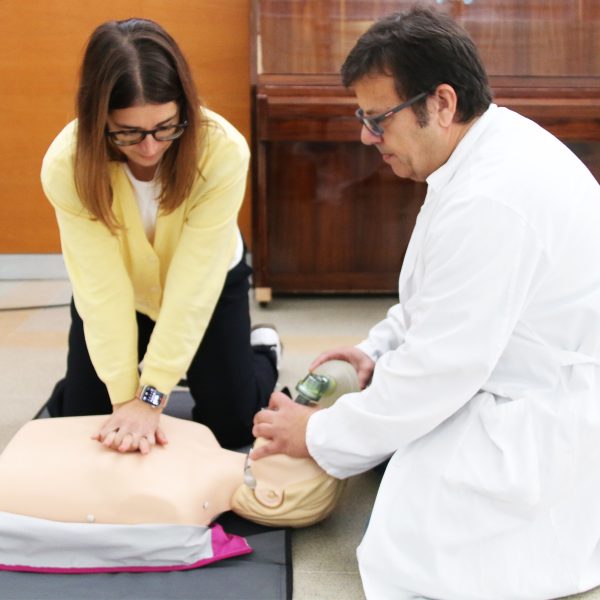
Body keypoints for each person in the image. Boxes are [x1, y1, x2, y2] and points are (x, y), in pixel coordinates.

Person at [253, 7, 600, 600]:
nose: (366, 136)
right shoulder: (484, 148)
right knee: (393, 443)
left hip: (545, 404)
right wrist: (376, 349)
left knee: (420, 533)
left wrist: (317, 433)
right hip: (507, 364)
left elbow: (441, 369)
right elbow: (440, 298)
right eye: (362, 117)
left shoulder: (492, 197)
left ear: (440, 103)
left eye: (377, 119)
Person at [41, 18, 280, 452]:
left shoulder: (222, 151)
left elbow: (193, 285)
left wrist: (151, 396)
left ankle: (262, 350)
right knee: (83, 416)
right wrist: (123, 401)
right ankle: (82, 383)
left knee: (232, 426)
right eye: (129, 132)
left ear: (184, 107)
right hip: (121, 290)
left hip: (206, 284)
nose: (150, 147)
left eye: (165, 126)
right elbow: (101, 289)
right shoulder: (66, 165)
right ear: (98, 118)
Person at [0, 414, 344, 572]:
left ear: (271, 496)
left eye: (307, 454)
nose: (304, 438)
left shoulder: (181, 506)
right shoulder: (202, 433)